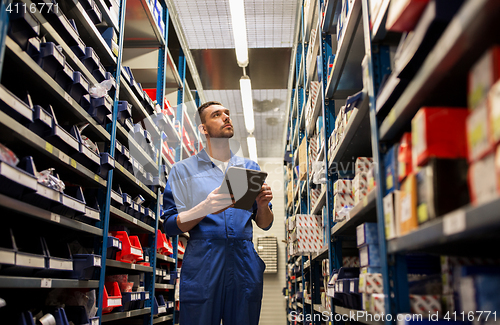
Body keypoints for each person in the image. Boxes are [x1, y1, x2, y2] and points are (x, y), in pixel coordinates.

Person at [162, 101, 274, 325]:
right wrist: (205, 207)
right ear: (203, 129)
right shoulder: (183, 170)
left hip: (244, 262)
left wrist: (262, 205)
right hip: (204, 262)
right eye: (217, 115)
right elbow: (171, 225)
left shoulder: (248, 167)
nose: (226, 117)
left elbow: (265, 223)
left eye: (227, 114)